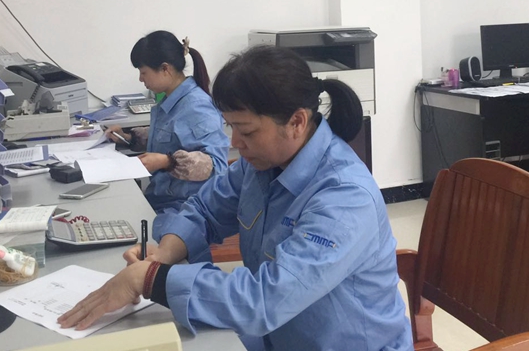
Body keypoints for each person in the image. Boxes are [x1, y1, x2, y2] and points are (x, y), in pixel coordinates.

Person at [60, 46, 413, 351]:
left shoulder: (344, 198)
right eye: (231, 128)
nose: (235, 144)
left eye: (246, 131)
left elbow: (266, 299)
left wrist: (151, 279)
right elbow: (205, 209)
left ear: (296, 122)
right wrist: (163, 254)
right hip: (277, 337)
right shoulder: (261, 164)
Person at [105, 30, 228, 212]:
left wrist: (168, 162)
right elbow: (169, 137)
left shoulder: (197, 107)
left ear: (165, 69)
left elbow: (217, 165)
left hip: (186, 207)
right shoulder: (171, 100)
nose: (141, 79)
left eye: (143, 72)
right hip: (162, 199)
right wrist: (128, 137)